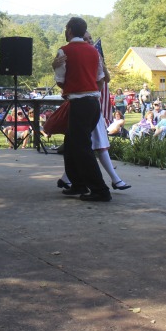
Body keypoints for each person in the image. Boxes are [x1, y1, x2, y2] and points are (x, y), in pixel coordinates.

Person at [53, 31, 130, 192]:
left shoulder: (92, 55)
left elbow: (103, 79)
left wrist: (90, 91)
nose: (88, 41)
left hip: (89, 103)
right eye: (86, 38)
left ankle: (101, 186)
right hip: (84, 102)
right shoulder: (78, 55)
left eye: (90, 39)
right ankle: (75, 182)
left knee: (90, 145)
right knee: (74, 144)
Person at [54, 17, 111, 201]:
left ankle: (100, 189)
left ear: (69, 30)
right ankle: (78, 184)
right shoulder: (94, 51)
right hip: (93, 102)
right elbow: (101, 77)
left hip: (79, 103)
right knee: (72, 143)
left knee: (82, 148)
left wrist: (55, 68)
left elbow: (61, 81)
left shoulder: (64, 51)